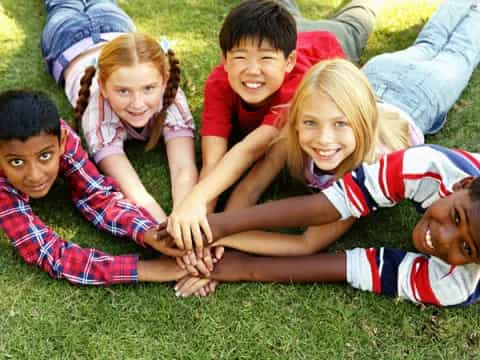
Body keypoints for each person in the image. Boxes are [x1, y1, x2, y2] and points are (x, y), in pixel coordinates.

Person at [170, 0, 480, 256]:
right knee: (428, 43)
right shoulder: (293, 132)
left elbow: (307, 243)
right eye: (309, 124)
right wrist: (216, 228)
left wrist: (217, 237)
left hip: (419, 96)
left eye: (338, 128)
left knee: (457, 50)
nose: (323, 140)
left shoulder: (367, 171)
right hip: (366, 84)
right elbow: (251, 187)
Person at [167, 0, 380, 252]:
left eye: (265, 59)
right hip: (280, 38)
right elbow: (213, 161)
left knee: (357, 18)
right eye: (240, 57)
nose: (252, 70)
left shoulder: (300, 90)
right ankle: (274, 34)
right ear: (225, 59)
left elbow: (250, 149)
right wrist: (196, 221)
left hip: (329, 39)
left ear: (289, 62)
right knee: (271, 19)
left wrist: (203, 208)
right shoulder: (219, 83)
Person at [174, 144, 480, 306]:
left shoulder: (456, 286)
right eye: (456, 218)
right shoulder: (430, 165)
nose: (443, 238)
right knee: (452, 55)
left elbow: (351, 266)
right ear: (462, 185)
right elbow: (329, 205)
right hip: (403, 99)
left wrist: (240, 269)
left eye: (467, 248)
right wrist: (215, 226)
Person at [0, 89, 197, 286]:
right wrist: (146, 269)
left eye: (45, 156)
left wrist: (149, 232)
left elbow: (97, 196)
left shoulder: (63, 137)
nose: (35, 175)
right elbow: (49, 253)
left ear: (61, 142)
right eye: (16, 162)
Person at [41, 0, 197, 222]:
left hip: (114, 26)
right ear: (103, 87)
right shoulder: (97, 112)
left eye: (149, 88)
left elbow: (183, 168)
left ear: (163, 81)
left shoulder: (170, 96)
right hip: (67, 36)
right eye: (123, 91)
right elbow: (134, 191)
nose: (137, 103)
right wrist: (165, 229)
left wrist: (184, 222)